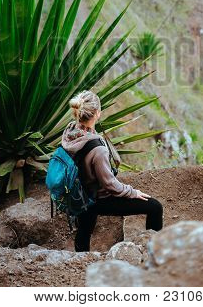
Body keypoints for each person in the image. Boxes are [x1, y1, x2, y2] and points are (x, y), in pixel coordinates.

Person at [61, 90, 163, 252]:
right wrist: (133, 192)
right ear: (97, 114)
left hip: (78, 194)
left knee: (85, 227)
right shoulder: (98, 149)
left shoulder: (69, 131)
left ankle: (80, 259)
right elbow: (109, 184)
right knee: (155, 207)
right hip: (97, 199)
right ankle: (155, 254)